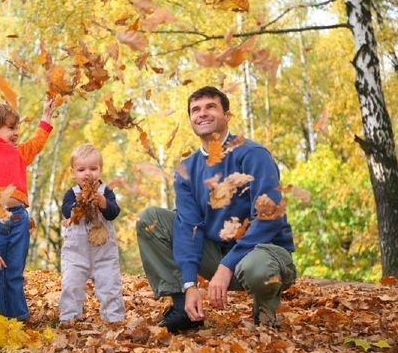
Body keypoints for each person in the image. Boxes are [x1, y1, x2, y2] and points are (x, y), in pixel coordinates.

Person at [136, 86, 296, 333]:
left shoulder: (253, 155)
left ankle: (265, 314)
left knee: (258, 268)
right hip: (216, 254)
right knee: (151, 219)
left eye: (210, 107)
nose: (202, 114)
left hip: (263, 254)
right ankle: (183, 308)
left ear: (227, 115)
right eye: (195, 110)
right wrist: (190, 284)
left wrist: (227, 265)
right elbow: (189, 227)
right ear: (190, 119)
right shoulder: (187, 170)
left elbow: (269, 217)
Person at [0, 87, 55, 320]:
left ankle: (17, 317)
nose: (16, 132)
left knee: (14, 271)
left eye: (17, 128)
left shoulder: (19, 153)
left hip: (18, 218)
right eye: (11, 127)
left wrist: (45, 117)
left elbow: (37, 142)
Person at [59, 143, 126, 323]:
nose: (87, 173)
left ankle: (114, 318)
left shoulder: (106, 192)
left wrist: (103, 203)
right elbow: (66, 211)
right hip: (76, 254)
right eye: (81, 169)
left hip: (104, 254)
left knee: (110, 285)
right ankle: (69, 318)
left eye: (93, 168)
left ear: (100, 170)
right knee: (70, 285)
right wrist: (77, 206)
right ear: (73, 172)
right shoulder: (71, 194)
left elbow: (113, 212)